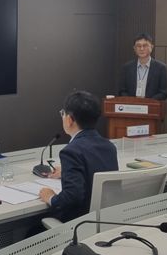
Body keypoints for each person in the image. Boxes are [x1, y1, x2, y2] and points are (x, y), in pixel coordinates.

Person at [38, 91, 119, 222]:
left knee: (30, 233)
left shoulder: (70, 151)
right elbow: (97, 170)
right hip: (104, 221)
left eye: (62, 113)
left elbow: (72, 197)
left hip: (78, 224)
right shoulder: (109, 146)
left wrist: (50, 197)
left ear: (69, 119)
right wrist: (68, 171)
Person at [118, 33, 167, 100]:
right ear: (134, 48)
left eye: (145, 45)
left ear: (152, 47)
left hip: (152, 108)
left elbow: (164, 93)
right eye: (138, 46)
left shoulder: (161, 68)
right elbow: (122, 91)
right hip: (131, 107)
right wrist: (132, 101)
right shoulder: (126, 68)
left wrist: (147, 103)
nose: (141, 49)